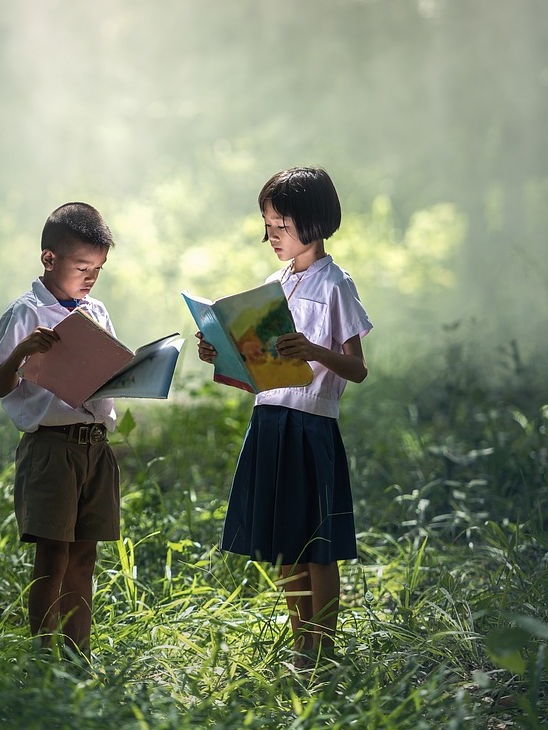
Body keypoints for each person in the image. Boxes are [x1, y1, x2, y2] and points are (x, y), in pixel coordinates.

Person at [196, 167, 372, 669]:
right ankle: (302, 646)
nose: (269, 237)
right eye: (267, 227)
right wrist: (221, 351)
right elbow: (255, 363)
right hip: (269, 419)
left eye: (278, 227)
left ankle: (325, 648)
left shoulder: (337, 283)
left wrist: (315, 349)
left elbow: (357, 368)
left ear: (312, 223)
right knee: (287, 543)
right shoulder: (274, 285)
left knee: (319, 544)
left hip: (311, 423)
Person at [0, 202, 121, 657]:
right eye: (82, 266)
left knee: (85, 556)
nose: (90, 277)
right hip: (51, 449)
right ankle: (45, 654)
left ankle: (77, 652)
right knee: (53, 557)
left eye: (98, 269)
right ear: (49, 259)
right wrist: (22, 351)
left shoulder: (96, 311)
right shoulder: (26, 313)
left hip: (95, 448)